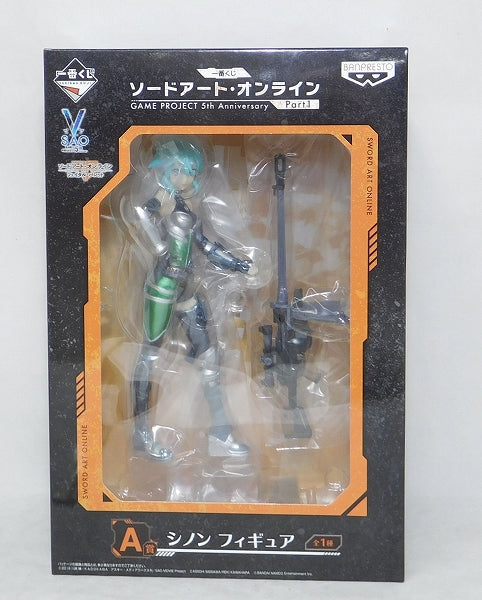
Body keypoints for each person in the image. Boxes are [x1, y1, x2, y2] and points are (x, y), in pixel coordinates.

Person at [131, 138, 253, 461]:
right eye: (177, 170)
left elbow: (205, 245)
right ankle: (141, 435)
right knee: (150, 359)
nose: (183, 177)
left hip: (186, 290)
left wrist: (237, 264)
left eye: (189, 172)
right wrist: (161, 250)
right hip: (162, 287)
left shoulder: (188, 210)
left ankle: (220, 432)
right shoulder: (160, 201)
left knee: (210, 358)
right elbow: (140, 214)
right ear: (165, 171)